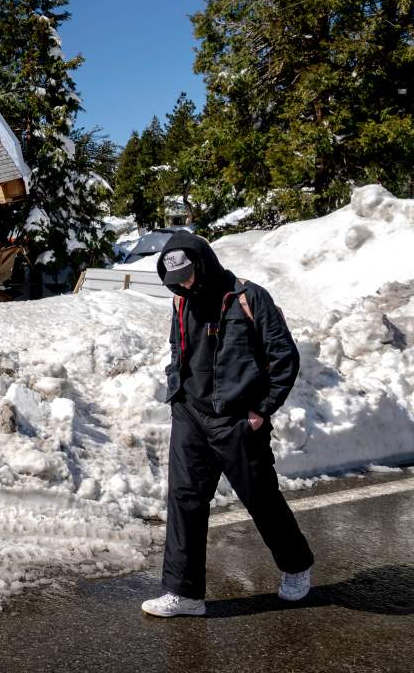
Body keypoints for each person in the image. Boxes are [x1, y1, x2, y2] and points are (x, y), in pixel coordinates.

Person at [141, 231, 314, 618]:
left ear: (204, 263)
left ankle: (296, 566)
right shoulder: (179, 300)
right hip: (191, 415)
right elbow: (178, 348)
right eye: (176, 280)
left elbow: (284, 357)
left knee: (261, 499)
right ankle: (184, 592)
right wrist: (177, 391)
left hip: (237, 419)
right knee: (184, 500)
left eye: (187, 275)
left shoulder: (249, 298)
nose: (184, 284)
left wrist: (262, 409)